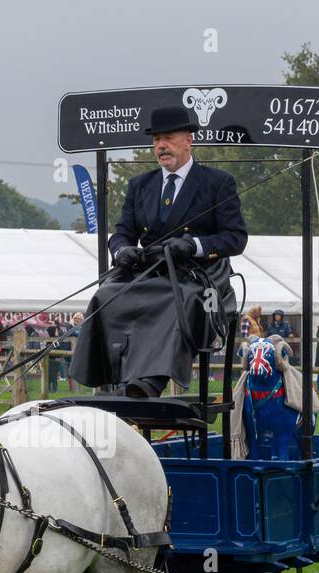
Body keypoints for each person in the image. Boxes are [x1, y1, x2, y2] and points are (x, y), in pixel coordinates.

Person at [71, 104, 248, 397]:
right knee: (105, 294)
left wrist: (195, 245)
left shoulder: (218, 183)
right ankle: (109, 379)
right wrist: (122, 250)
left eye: (168, 138)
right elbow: (122, 232)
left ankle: (150, 382)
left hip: (200, 276)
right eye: (156, 140)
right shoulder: (140, 185)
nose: (161, 146)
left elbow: (235, 238)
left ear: (188, 140)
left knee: (177, 298)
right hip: (150, 270)